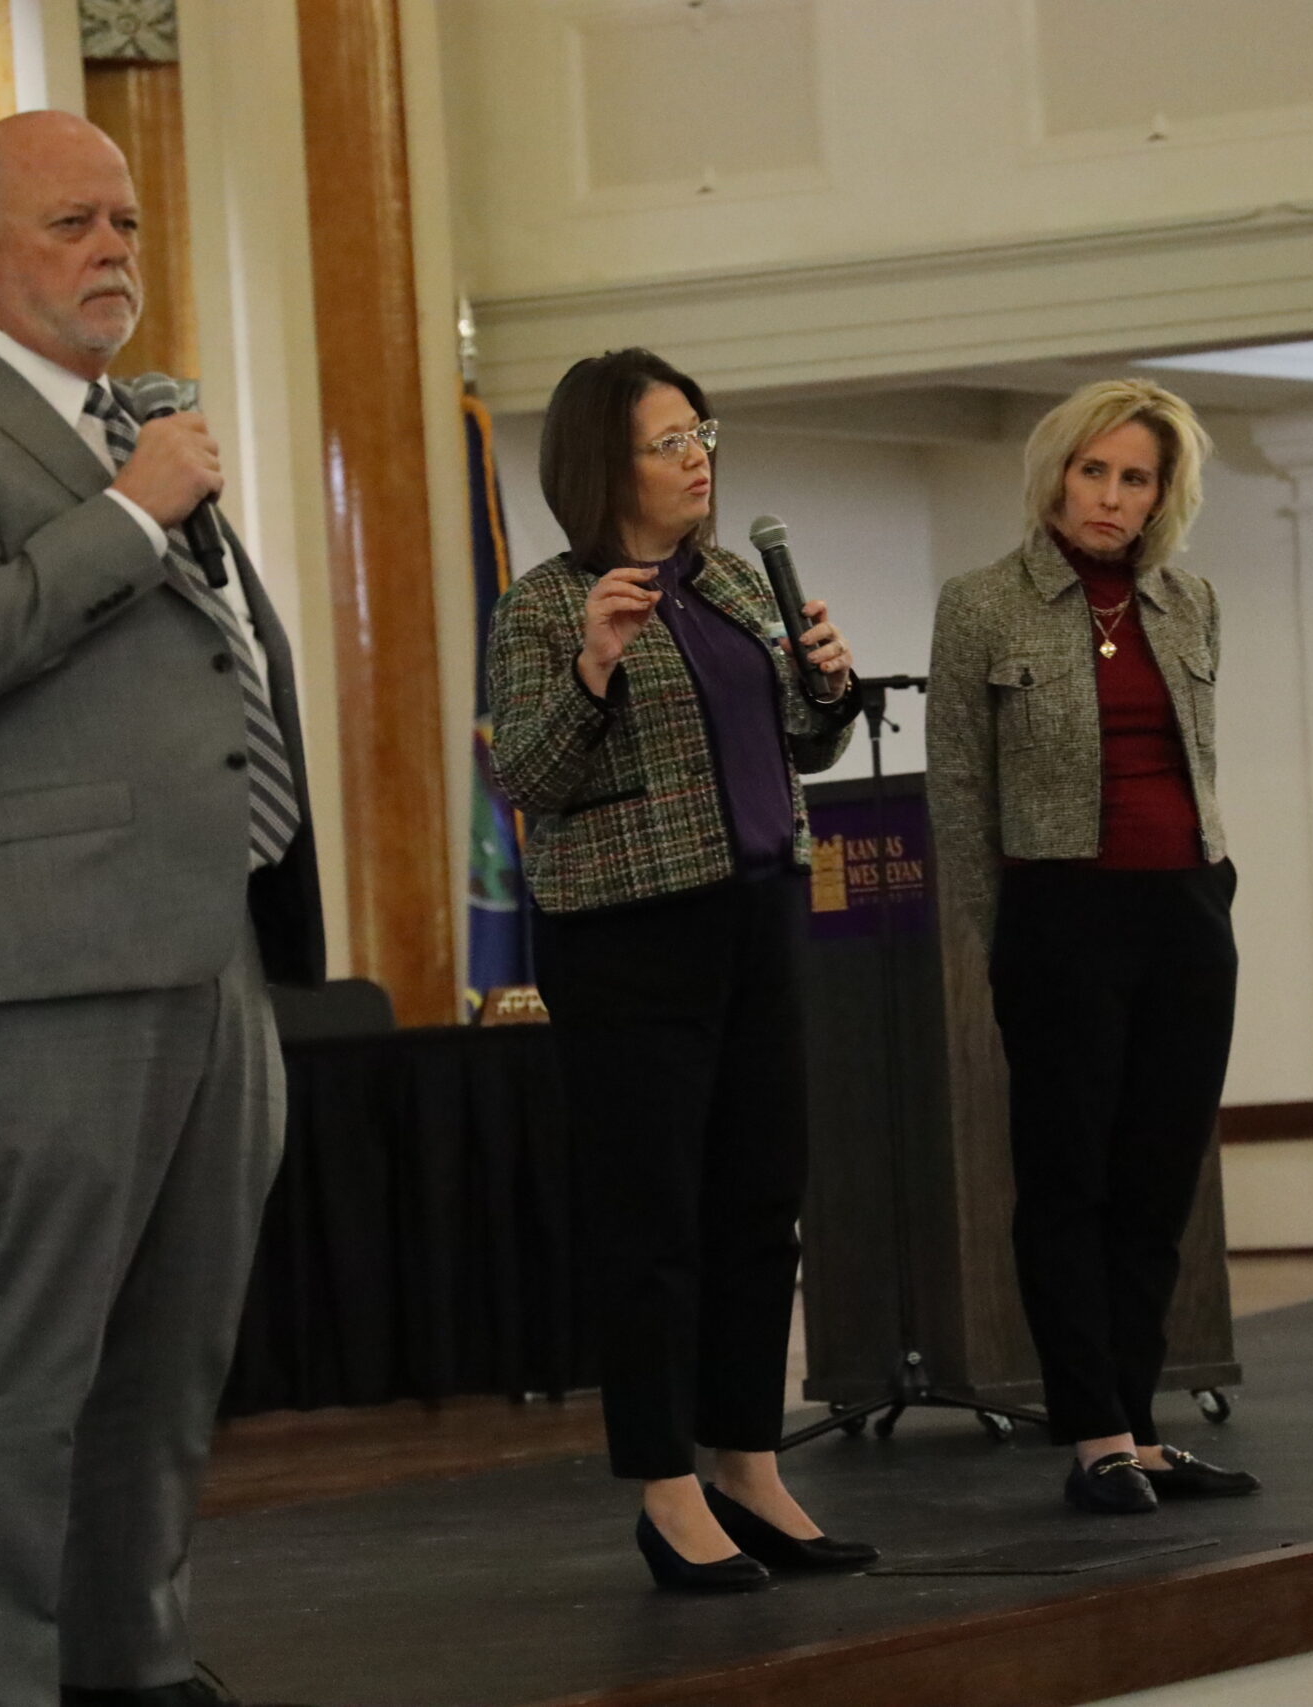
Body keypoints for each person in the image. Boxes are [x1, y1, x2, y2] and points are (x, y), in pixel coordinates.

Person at [0, 112, 323, 1707]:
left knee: (177, 1342)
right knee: (35, 1347)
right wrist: (127, 511)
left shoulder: (137, 421)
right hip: (62, 948)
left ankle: (131, 1649)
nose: (114, 248)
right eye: (74, 223)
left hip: (211, 930)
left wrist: (141, 487)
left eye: (123, 221)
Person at [486, 348, 875, 1591]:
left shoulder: (733, 584)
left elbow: (794, 748)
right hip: (627, 939)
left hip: (757, 915)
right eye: (668, 442)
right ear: (605, 465)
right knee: (650, 1218)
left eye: (700, 433)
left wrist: (829, 687)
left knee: (760, 1205)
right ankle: (666, 1489)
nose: (696, 457)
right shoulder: (546, 605)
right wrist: (593, 666)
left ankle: (748, 1465)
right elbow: (526, 777)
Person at [925, 379, 1259, 1517]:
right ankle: (1095, 1433)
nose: (1112, 497)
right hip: (1059, 912)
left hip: (1186, 909)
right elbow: (960, 792)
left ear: (1164, 494)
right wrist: (1003, 936)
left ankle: (1143, 1428)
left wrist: (1214, 887)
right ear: (1056, 475)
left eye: (1136, 478)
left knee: (1159, 1182)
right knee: (1069, 1178)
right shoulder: (982, 604)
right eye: (1094, 471)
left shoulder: (1191, 601)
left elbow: (1197, 759)